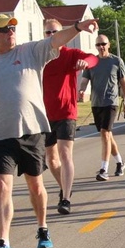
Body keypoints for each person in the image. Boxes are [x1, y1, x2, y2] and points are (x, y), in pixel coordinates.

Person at [0, 13, 98, 248]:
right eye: (5, 29)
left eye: (13, 29)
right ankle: (4, 242)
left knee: (35, 185)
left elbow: (57, 40)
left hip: (32, 131)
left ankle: (42, 227)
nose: (11, 32)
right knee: (1, 186)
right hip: (0, 135)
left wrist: (79, 27)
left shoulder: (29, 52)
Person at [40, 18, 98, 215]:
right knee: (51, 159)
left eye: (55, 32)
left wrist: (85, 62)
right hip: (45, 114)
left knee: (65, 154)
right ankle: (65, 187)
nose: (52, 35)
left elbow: (93, 58)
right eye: (48, 32)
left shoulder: (71, 54)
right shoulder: (41, 57)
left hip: (66, 111)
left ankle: (65, 199)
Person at [79, 36, 125, 181]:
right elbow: (84, 80)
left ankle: (104, 169)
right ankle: (120, 162)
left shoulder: (116, 61)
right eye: (98, 45)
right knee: (107, 135)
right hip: (96, 103)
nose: (101, 47)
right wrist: (81, 90)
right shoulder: (92, 62)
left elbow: (123, 82)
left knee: (105, 133)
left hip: (111, 101)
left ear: (109, 45)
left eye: (103, 44)